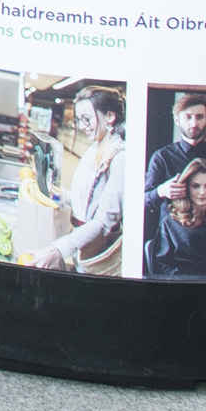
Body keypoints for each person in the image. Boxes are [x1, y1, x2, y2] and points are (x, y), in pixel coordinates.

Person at [34, 87, 125, 274]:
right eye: (79, 120)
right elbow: (82, 200)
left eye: (87, 119)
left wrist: (60, 248)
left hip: (99, 252)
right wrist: (58, 194)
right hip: (82, 245)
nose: (83, 126)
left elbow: (104, 221)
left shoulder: (120, 157)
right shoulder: (95, 148)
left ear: (109, 116)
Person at [142, 91, 206, 225]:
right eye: (188, 117)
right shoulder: (162, 158)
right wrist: (160, 191)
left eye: (199, 117)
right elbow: (142, 202)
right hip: (173, 235)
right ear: (177, 120)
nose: (194, 123)